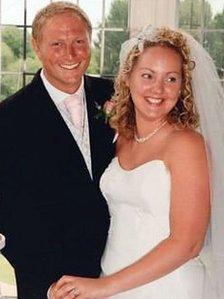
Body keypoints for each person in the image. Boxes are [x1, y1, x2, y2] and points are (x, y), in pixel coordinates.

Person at [51, 26, 224, 299]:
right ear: (128, 78)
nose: (158, 89)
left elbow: (188, 243)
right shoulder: (122, 138)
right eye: (148, 75)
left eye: (171, 79)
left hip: (167, 287)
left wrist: (104, 287)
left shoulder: (187, 145)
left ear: (182, 87)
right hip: (112, 281)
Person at [0, 1, 115, 298]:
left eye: (79, 42)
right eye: (57, 44)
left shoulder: (116, 97)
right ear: (36, 47)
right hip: (58, 285)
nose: (71, 54)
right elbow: (8, 217)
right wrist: (46, 288)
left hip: (123, 271)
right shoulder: (7, 119)